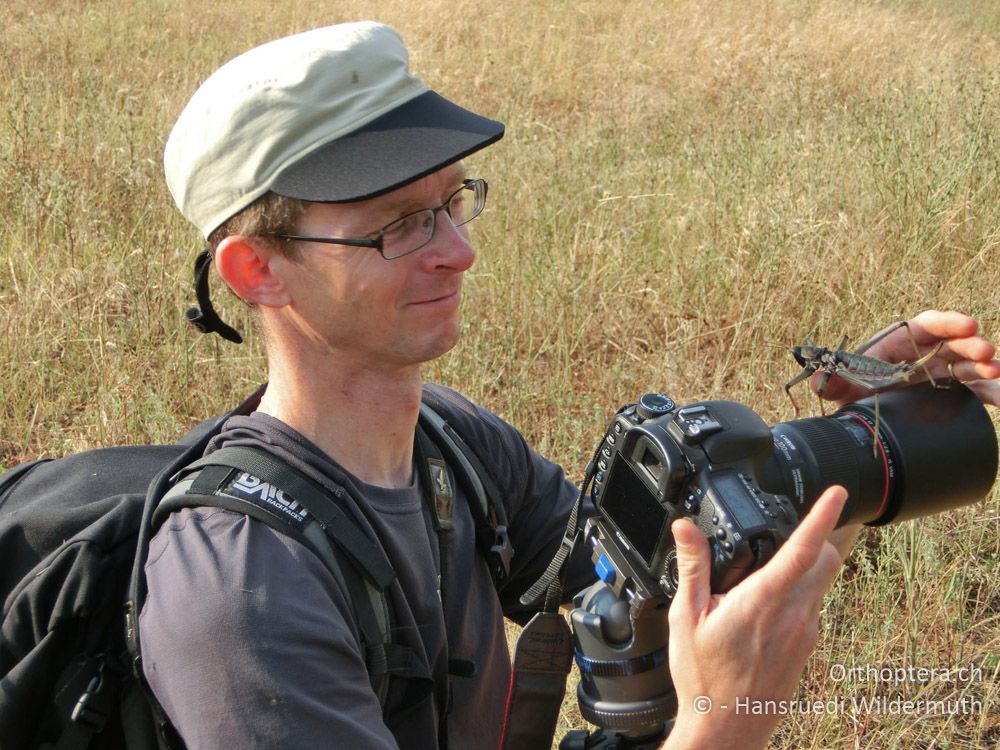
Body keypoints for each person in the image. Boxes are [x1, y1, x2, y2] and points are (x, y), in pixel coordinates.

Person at [140, 21, 1000, 750]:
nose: (459, 251)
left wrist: (842, 441)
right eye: (397, 225)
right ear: (257, 270)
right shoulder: (242, 593)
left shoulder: (451, 444)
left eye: (451, 201)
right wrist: (720, 730)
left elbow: (650, 574)